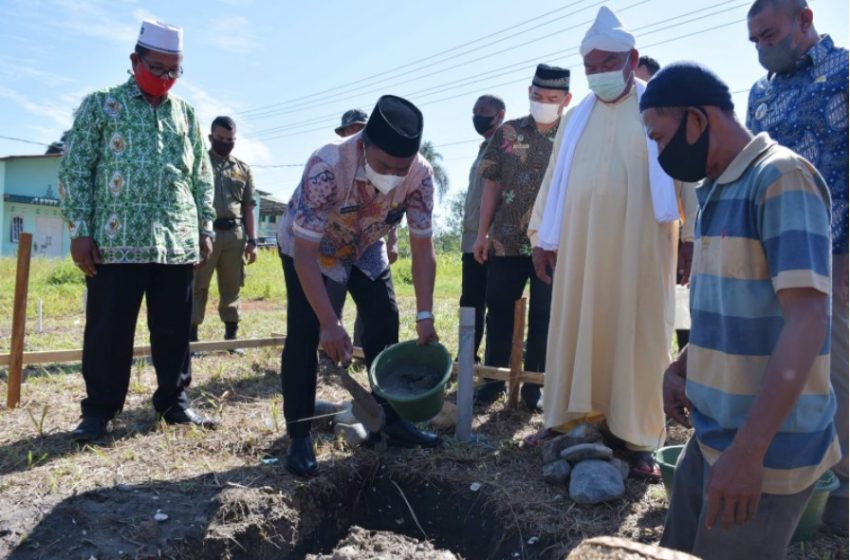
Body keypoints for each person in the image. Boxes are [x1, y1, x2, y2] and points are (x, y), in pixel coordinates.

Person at [642, 61, 840, 560]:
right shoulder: (717, 191)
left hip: (764, 451)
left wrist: (749, 454)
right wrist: (683, 366)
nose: (661, 153)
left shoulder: (781, 179)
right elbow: (729, 305)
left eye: (661, 137)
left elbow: (808, 319)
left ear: (698, 119)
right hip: (716, 435)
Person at [527, 6, 680, 478]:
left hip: (643, 244)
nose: (596, 75)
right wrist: (541, 237)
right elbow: (554, 181)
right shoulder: (573, 121)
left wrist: (690, 234)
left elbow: (686, 177)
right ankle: (567, 419)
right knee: (577, 321)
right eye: (589, 67)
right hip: (581, 245)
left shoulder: (662, 107)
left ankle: (636, 439)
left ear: (631, 60)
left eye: (604, 65)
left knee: (638, 331)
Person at [59, 20, 218, 442]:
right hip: (115, 242)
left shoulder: (186, 114)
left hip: (175, 243)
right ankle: (99, 411)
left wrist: (204, 226)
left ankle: (174, 402)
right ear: (135, 61)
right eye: (158, 67)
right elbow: (75, 169)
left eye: (175, 70)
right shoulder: (102, 106)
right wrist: (80, 229)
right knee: (109, 331)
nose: (166, 78)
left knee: (173, 329)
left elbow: (201, 174)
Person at [276, 95, 440, 477]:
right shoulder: (328, 166)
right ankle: (299, 436)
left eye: (403, 167)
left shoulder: (420, 176)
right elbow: (304, 254)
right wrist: (330, 323)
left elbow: (422, 247)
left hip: (366, 243)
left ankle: (392, 420)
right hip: (313, 248)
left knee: (385, 318)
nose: (394, 176)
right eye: (385, 165)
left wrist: (426, 313)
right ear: (363, 144)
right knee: (303, 333)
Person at [745, 0, 848, 533]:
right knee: (780, 364)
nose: (761, 46)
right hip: (773, 254)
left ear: (805, 21)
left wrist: (846, 254)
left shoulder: (846, 74)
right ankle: (784, 478)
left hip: (836, 254)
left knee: (837, 372)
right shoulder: (761, 94)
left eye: (770, 34)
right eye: (754, 39)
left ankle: (841, 496)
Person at [472, 64, 571, 411]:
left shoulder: (574, 134)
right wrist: (482, 234)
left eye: (552, 98)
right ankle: (493, 382)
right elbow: (492, 185)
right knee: (498, 309)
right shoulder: (507, 133)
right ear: (529, 92)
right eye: (538, 96)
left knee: (546, 314)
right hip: (507, 239)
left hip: (554, 243)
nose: (544, 102)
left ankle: (535, 386)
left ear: (566, 99)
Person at [320, 109, 399, 374]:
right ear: (343, 134)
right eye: (349, 131)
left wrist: (393, 240)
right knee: (333, 300)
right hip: (336, 245)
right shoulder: (332, 163)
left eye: (360, 130)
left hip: (370, 245)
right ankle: (330, 353)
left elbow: (391, 208)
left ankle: (368, 353)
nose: (354, 136)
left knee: (377, 306)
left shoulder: (384, 163)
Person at [190, 116, 257, 355]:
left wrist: (252, 241)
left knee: (232, 285)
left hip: (235, 235)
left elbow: (249, 206)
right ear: (210, 138)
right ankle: (193, 341)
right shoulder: (198, 163)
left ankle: (231, 339)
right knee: (198, 285)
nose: (225, 143)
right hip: (205, 234)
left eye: (230, 139)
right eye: (220, 139)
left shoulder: (243, 169)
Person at [460, 94, 506, 362]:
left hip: (492, 240)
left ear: (500, 114)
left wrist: (488, 233)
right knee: (470, 300)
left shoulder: (506, 147)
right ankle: (467, 356)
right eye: (475, 111)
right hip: (470, 239)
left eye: (483, 111)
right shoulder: (482, 149)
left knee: (494, 303)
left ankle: (493, 362)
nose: (477, 116)